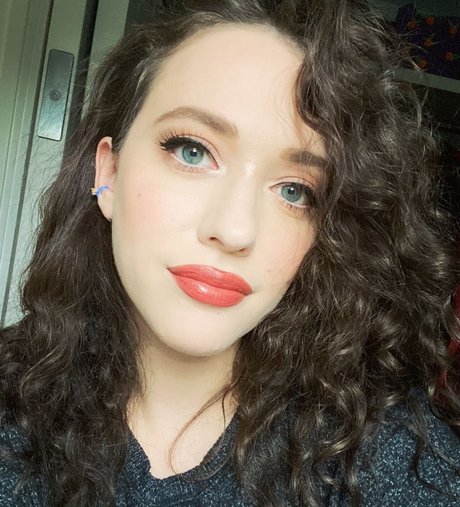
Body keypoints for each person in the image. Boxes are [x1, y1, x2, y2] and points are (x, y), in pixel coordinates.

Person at [0, 0, 459, 505]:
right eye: (192, 151)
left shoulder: (392, 461)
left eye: (295, 191)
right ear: (108, 172)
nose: (235, 230)